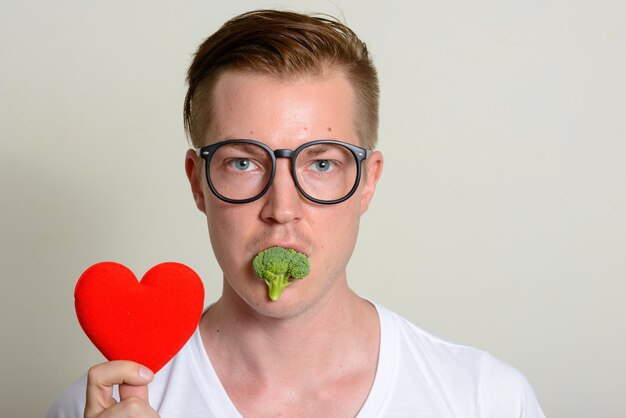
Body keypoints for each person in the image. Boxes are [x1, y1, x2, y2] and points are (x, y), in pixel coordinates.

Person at [46, 9, 545, 418]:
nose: (282, 209)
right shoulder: (98, 407)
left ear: (368, 181)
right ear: (198, 183)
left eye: (321, 163)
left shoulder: (487, 399)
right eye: (243, 162)